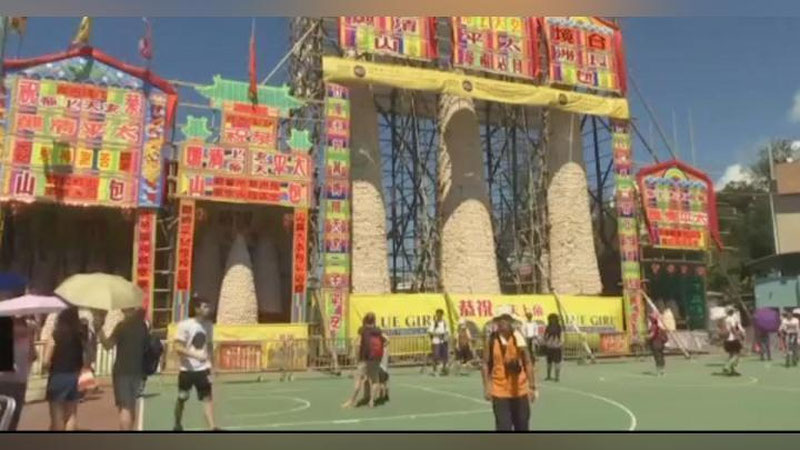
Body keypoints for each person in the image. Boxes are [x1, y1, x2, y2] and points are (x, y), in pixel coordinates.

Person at [481, 306, 536, 431]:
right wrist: (487, 386)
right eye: (501, 319)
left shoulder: (519, 338)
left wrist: (532, 387)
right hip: (499, 391)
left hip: (520, 390)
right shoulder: (491, 340)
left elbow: (528, 362)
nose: (503, 322)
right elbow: (485, 364)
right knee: (503, 426)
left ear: (511, 321)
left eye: (506, 319)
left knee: (522, 425)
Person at [93, 307, 149, 430]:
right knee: (131, 405)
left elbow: (108, 345)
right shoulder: (143, 326)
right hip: (137, 370)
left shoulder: (122, 326)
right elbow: (146, 347)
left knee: (124, 407)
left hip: (122, 371)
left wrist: (99, 330)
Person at [173, 296, 217, 431]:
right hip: (187, 370)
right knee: (182, 398)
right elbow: (177, 347)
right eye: (205, 306)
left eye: (208, 306)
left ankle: (212, 427)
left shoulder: (208, 325)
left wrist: (212, 365)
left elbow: (209, 345)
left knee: (207, 398)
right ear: (197, 309)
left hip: (203, 369)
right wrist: (196, 355)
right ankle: (177, 423)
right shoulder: (185, 325)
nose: (208, 309)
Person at [43, 307, 86, 431]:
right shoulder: (79, 336)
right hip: (74, 376)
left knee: (57, 415)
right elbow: (84, 357)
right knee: (71, 414)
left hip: (57, 375)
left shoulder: (55, 336)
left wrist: (46, 366)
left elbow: (45, 361)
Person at [342, 312, 387, 408]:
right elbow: (388, 340)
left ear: (365, 320)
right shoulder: (378, 330)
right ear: (374, 321)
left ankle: (352, 401)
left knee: (358, 380)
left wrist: (356, 356)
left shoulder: (362, 330)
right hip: (375, 359)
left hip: (364, 359)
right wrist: (382, 346)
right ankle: (371, 401)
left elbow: (358, 343)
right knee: (375, 381)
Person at [0, 314, 37, 431]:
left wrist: (30, 337)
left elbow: (33, 356)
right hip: (11, 381)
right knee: (10, 418)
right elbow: (33, 356)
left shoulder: (27, 333)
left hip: (15, 381)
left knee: (9, 417)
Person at [722, 306, 746, 376]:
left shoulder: (726, 319)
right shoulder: (731, 319)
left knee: (731, 354)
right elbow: (733, 328)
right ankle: (727, 365)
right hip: (732, 338)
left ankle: (733, 370)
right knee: (737, 354)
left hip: (727, 339)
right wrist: (737, 335)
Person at [428, 309, 449, 376]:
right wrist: (437, 334)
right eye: (438, 314)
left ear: (442, 315)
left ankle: (444, 369)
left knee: (445, 356)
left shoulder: (444, 322)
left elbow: (447, 331)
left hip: (443, 341)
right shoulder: (433, 322)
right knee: (436, 356)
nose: (439, 315)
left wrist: (445, 336)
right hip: (436, 341)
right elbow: (430, 332)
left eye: (440, 314)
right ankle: (434, 370)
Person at [543, 313, 563, 382]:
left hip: (551, 347)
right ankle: (556, 377)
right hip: (556, 347)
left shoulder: (548, 327)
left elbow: (545, 337)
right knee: (556, 363)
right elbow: (562, 338)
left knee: (550, 362)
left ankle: (549, 376)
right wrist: (560, 344)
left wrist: (546, 343)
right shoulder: (559, 327)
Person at [648, 312, 668, 376]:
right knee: (661, 356)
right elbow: (665, 336)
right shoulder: (660, 327)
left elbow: (651, 335)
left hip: (655, 344)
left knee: (657, 357)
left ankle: (659, 370)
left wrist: (646, 337)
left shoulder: (653, 327)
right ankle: (663, 370)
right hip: (661, 344)